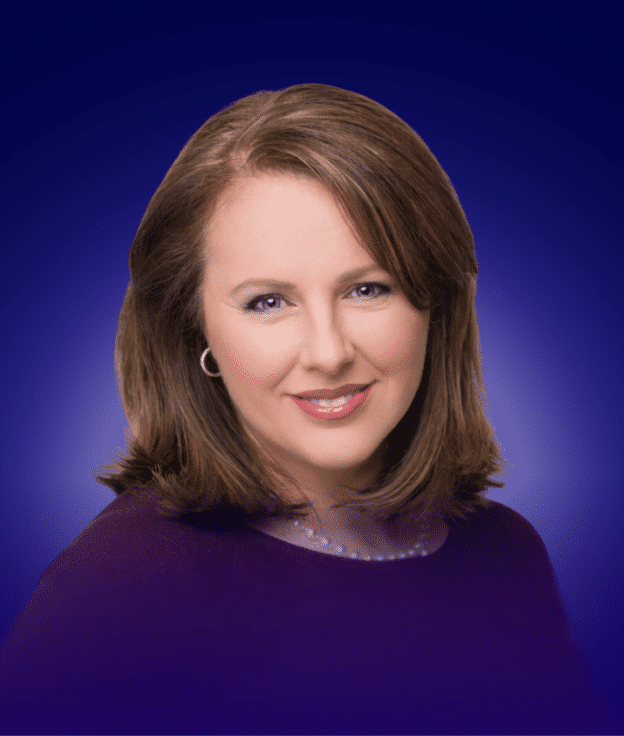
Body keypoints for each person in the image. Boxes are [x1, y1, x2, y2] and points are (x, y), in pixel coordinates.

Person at [0, 83, 619, 736]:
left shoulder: (506, 553)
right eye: (268, 301)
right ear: (194, 330)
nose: (328, 352)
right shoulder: (122, 587)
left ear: (435, 305)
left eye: (368, 289)